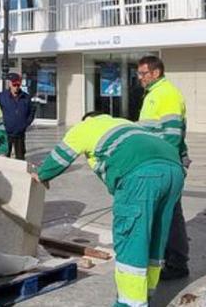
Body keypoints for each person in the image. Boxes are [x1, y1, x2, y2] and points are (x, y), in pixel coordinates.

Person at [33, 112, 184, 307]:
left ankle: (130, 303)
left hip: (141, 176)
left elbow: (60, 156)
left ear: (87, 119)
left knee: (132, 239)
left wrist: (42, 174)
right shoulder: (124, 123)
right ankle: (146, 294)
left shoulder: (85, 127)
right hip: (174, 171)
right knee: (156, 236)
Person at [135, 55, 191, 280]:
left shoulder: (166, 94)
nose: (140, 78)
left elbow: (171, 135)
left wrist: (160, 166)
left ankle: (177, 264)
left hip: (163, 164)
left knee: (170, 213)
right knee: (166, 213)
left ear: (155, 73)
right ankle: (171, 259)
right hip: (157, 162)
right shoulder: (155, 94)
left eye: (142, 74)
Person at [0, 73, 35, 160]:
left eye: (18, 84)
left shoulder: (26, 97)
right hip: (6, 133)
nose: (16, 87)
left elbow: (32, 112)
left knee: (20, 158)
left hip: (20, 134)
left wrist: (25, 124)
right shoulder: (1, 97)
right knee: (4, 158)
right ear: (9, 84)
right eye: (14, 85)